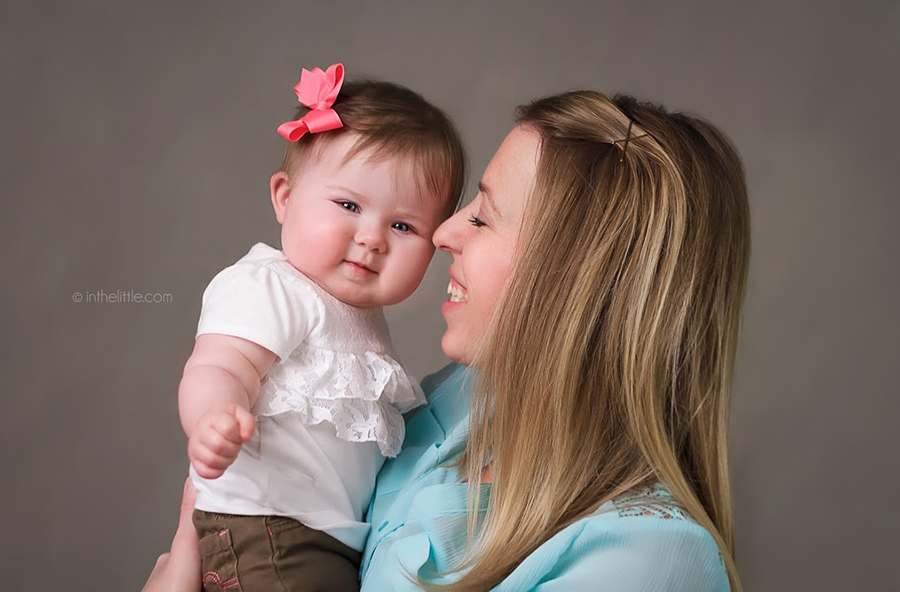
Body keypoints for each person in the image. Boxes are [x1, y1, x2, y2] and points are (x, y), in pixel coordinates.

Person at [146, 88, 749, 591]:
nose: (442, 235)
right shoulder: (446, 409)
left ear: (577, 279)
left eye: (483, 216)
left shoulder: (643, 560)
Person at [177, 63, 466, 591]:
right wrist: (213, 416)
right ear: (285, 197)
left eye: (403, 225)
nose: (372, 237)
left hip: (330, 538)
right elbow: (221, 363)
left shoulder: (361, 319)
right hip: (266, 524)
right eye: (349, 205)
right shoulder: (271, 286)